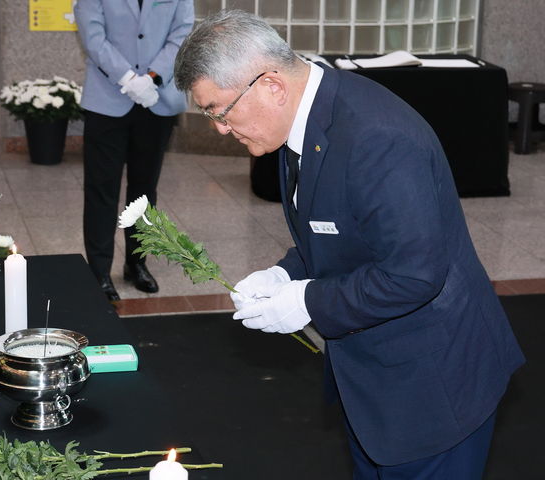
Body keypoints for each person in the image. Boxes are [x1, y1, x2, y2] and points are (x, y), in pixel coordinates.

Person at [174, 10, 524, 479]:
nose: (219, 127)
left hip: (433, 393)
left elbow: (413, 275)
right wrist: (285, 273)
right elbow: (338, 233)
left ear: (271, 86)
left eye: (220, 109)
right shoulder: (301, 120)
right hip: (375, 389)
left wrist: (306, 300)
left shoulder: (376, 139)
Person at [74, 0, 194, 301]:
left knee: (144, 190)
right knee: (102, 189)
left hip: (156, 97)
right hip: (107, 99)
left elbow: (182, 33)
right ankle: (99, 271)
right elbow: (93, 36)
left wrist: (152, 77)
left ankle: (136, 264)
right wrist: (128, 79)